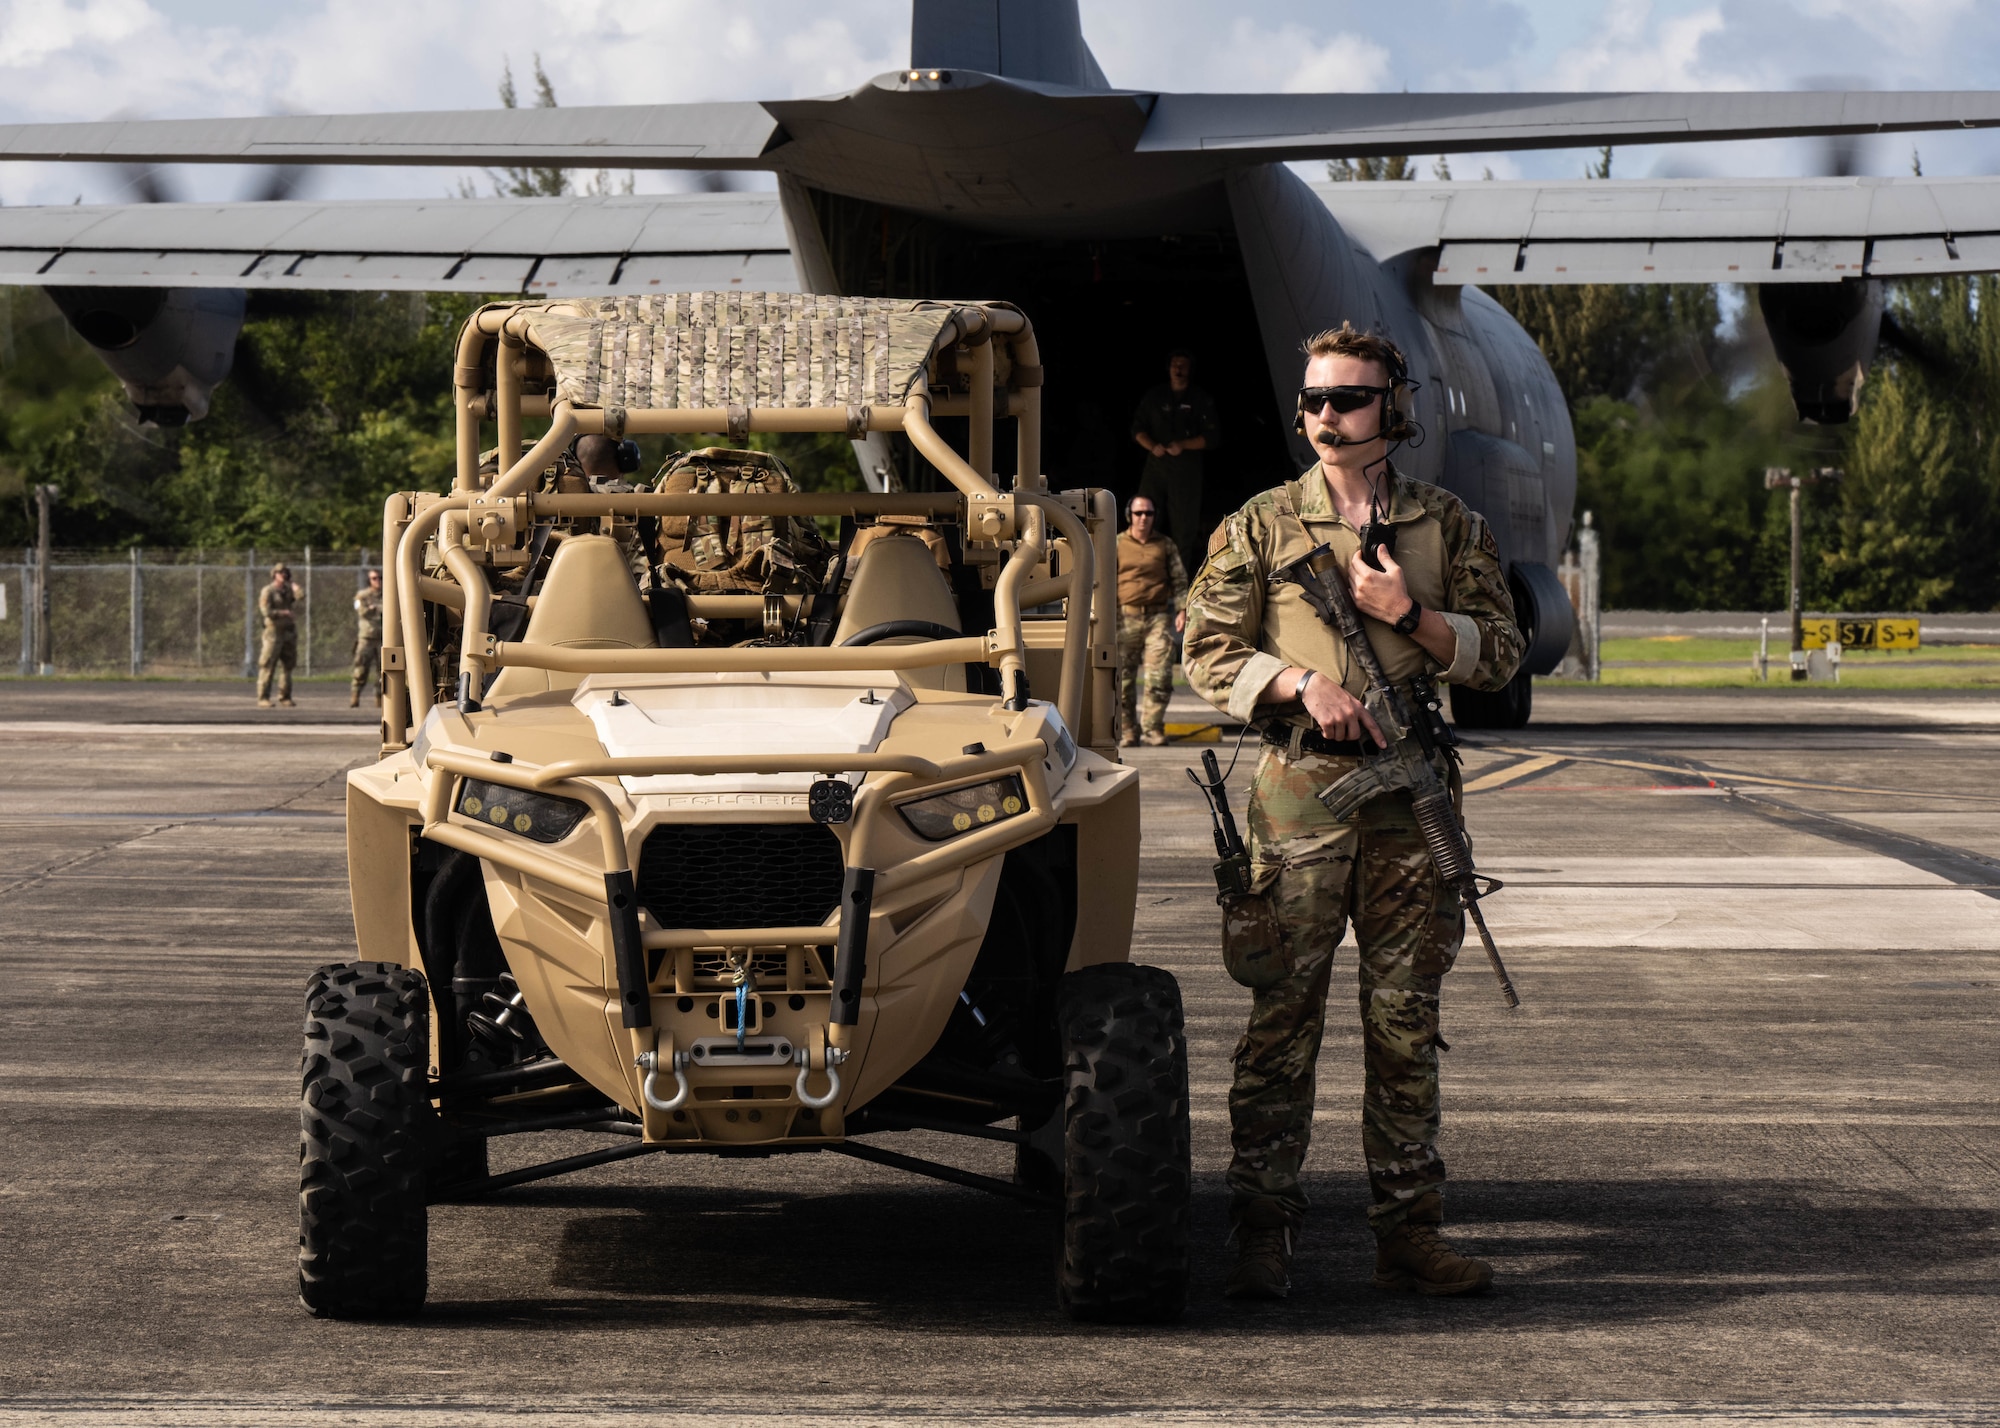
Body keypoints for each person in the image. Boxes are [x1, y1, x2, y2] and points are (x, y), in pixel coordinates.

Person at [1182, 322, 1523, 1302]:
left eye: (1348, 399)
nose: (1326, 417)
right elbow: (1202, 646)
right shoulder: (1259, 525)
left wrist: (1407, 616)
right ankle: (1260, 1229)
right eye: (1313, 401)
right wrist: (1293, 682)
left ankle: (1406, 1235)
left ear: (1394, 408)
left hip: (1411, 797)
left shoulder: (1445, 526)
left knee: (1403, 1021)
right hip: (1298, 798)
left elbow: (1499, 652)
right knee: (1279, 1019)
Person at [1130, 350, 1220, 579]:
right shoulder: (1155, 396)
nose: (1178, 369)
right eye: (1175, 364)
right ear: (1169, 367)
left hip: (1185, 469)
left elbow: (1211, 438)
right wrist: (1152, 446)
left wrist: (1183, 445)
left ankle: (1177, 579)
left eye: (1183, 364)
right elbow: (1137, 429)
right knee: (1144, 517)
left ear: (1189, 369)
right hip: (1156, 466)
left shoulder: (1199, 398)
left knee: (1184, 527)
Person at [1116, 495, 1187, 747]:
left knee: (1159, 675)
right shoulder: (1116, 544)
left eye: (1148, 513)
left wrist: (1182, 610)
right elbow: (1102, 581)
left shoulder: (1165, 545)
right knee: (1121, 679)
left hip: (1158, 617)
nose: (1143, 518)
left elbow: (1179, 579)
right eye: (1138, 513)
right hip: (1125, 618)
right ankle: (1127, 731)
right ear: (1129, 516)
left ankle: (1152, 729)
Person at [256, 562, 300, 708]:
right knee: (268, 665)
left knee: (288, 666)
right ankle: (263, 697)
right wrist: (283, 613)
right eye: (281, 573)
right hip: (273, 632)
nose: (284, 575)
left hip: (288, 632)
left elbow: (301, 596)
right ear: (274, 574)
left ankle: (285, 696)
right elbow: (266, 611)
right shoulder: (268, 591)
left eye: (286, 573)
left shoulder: (287, 590)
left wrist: (295, 587)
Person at [351, 567, 383, 708]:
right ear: (369, 580)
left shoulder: (387, 595)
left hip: (383, 638)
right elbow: (362, 611)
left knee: (382, 671)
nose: (378, 581)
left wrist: (374, 607)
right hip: (367, 638)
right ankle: (355, 695)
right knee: (361, 668)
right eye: (374, 578)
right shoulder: (362, 595)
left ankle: (379, 699)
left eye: (379, 578)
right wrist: (373, 608)